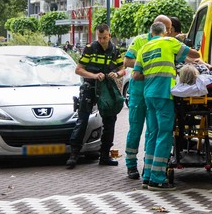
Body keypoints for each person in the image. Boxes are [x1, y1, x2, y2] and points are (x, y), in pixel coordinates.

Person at [132, 21, 200, 190]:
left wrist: (151, 75)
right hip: (164, 94)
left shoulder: (143, 48)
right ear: (165, 32)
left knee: (153, 134)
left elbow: (135, 76)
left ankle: (147, 176)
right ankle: (157, 179)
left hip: (148, 95)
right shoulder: (169, 42)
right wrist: (179, 41)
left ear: (151, 32)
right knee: (164, 134)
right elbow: (195, 53)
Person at [66, 24, 125, 169]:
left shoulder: (115, 50)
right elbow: (78, 70)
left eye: (105, 38)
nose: (103, 41)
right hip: (90, 87)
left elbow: (123, 69)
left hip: (107, 88)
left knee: (110, 120)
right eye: (100, 38)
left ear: (109, 36)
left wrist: (116, 74)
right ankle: (74, 155)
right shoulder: (90, 48)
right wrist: (93, 76)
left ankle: (104, 155)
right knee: (83, 119)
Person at [123, 15, 174, 180]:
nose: (169, 31)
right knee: (136, 128)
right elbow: (127, 61)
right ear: (157, 26)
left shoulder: (166, 42)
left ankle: (148, 164)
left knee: (152, 130)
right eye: (168, 28)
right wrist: (148, 66)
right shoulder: (140, 41)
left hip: (153, 91)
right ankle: (131, 164)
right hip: (139, 92)